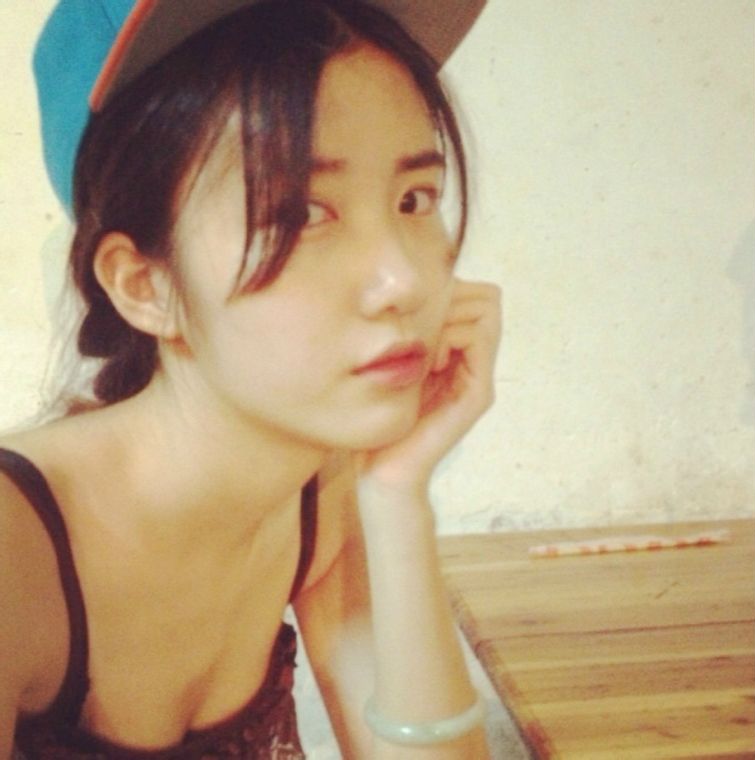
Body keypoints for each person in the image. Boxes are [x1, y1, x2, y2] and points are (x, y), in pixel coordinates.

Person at [0, 0, 501, 757]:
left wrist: (400, 495)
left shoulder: (320, 493)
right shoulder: (16, 558)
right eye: (302, 214)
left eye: (413, 199)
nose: (403, 280)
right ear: (145, 284)